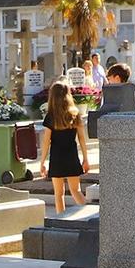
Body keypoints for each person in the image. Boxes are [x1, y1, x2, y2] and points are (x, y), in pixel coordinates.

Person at [36, 79, 91, 212]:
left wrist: (42, 162)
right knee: (76, 191)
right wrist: (85, 158)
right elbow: (82, 138)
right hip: (72, 155)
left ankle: (61, 219)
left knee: (58, 194)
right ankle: (90, 214)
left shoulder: (51, 116)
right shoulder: (75, 114)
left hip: (57, 157)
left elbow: (46, 141)